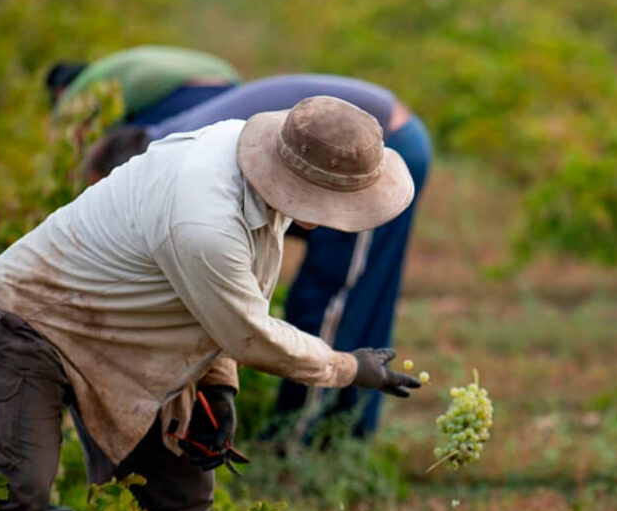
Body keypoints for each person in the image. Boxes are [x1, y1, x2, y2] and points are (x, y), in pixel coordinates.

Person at [0, 96, 422, 511]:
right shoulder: (206, 222)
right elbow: (251, 334)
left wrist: (218, 387)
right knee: (16, 507)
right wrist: (346, 367)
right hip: (32, 321)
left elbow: (232, 303)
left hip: (139, 337)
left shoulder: (260, 170)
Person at [84, 74, 433, 441]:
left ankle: (302, 440)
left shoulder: (183, 177)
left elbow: (244, 324)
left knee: (332, 298)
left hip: (373, 150)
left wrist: (346, 367)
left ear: (117, 174)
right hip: (355, 141)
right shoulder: (168, 148)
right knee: (339, 294)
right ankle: (336, 425)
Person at [45, 45, 242, 124]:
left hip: (188, 94)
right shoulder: (115, 64)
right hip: (231, 86)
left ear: (59, 91)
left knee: (130, 145)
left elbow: (61, 121)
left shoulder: (81, 87)